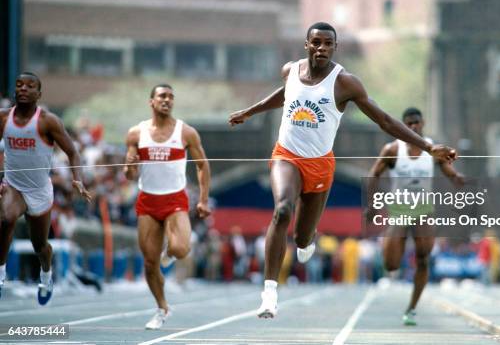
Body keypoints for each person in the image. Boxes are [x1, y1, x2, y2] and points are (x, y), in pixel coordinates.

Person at [229, 22, 457, 318]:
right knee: (282, 209)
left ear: (335, 48)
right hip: (286, 155)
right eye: (316, 42)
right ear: (307, 45)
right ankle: (270, 294)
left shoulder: (345, 83)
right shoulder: (291, 71)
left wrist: (428, 147)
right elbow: (285, 95)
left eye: (327, 43)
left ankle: (306, 238)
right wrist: (249, 112)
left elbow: (385, 121)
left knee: (301, 237)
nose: (321, 48)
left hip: (320, 165)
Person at [124, 84, 211, 329]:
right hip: (148, 201)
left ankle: (169, 253)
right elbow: (130, 175)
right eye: (162, 96)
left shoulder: (186, 132)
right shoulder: (135, 133)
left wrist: (203, 199)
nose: (167, 100)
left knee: (181, 249)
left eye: (171, 97)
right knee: (150, 263)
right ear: (151, 101)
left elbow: (203, 165)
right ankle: (162, 308)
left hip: (175, 200)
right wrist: (129, 165)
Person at [0, 72, 91, 304]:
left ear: (38, 94)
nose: (23, 89)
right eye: (19, 85)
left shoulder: (48, 121)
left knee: (40, 245)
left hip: (40, 191)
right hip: (14, 185)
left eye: (30, 86)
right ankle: (0, 275)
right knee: (6, 218)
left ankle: (46, 274)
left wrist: (77, 178)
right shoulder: (3, 118)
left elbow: (73, 151)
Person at [368, 107, 464, 326]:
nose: (413, 127)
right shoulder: (392, 149)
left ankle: (411, 309)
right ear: (402, 126)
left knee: (423, 258)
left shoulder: (432, 150)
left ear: (423, 123)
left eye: (416, 123)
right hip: (399, 209)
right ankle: (391, 244)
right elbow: (374, 173)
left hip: (423, 210)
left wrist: (458, 178)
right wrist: (372, 204)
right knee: (391, 265)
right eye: (408, 123)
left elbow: (448, 170)